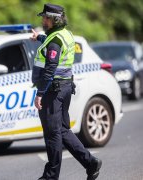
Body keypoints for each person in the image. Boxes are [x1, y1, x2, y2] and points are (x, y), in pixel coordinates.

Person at [31, 3, 102, 180]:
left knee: (52, 134)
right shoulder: (64, 35)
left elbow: (50, 69)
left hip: (52, 92)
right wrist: (38, 37)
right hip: (63, 88)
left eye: (45, 18)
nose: (43, 20)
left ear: (53, 20)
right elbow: (51, 43)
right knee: (62, 131)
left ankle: (51, 176)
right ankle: (91, 163)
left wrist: (40, 94)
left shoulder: (55, 40)